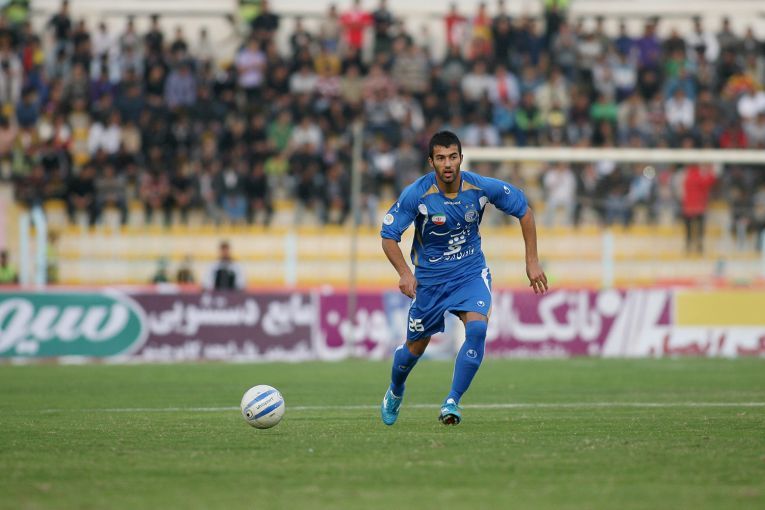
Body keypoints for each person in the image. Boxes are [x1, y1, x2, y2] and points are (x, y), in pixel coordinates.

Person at [379, 131, 547, 427]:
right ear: (431, 161)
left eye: (453, 157)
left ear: (460, 158)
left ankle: (452, 401)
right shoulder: (417, 194)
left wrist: (532, 261)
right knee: (413, 350)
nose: (448, 164)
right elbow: (388, 236)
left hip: (470, 273)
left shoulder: (479, 187)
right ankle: (395, 390)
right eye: (441, 158)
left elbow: (524, 210)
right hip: (430, 282)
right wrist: (404, 273)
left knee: (478, 330)